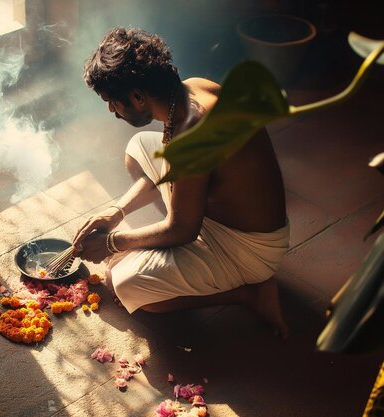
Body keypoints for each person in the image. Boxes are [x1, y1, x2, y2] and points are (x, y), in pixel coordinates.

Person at [73, 27, 290, 338]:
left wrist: (111, 242)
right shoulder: (194, 87)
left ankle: (249, 294)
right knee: (138, 149)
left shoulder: (190, 133)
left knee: (125, 285)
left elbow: (182, 230)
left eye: (112, 102)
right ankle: (177, 250)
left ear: (137, 97)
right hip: (231, 217)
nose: (112, 110)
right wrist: (116, 213)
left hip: (247, 248)